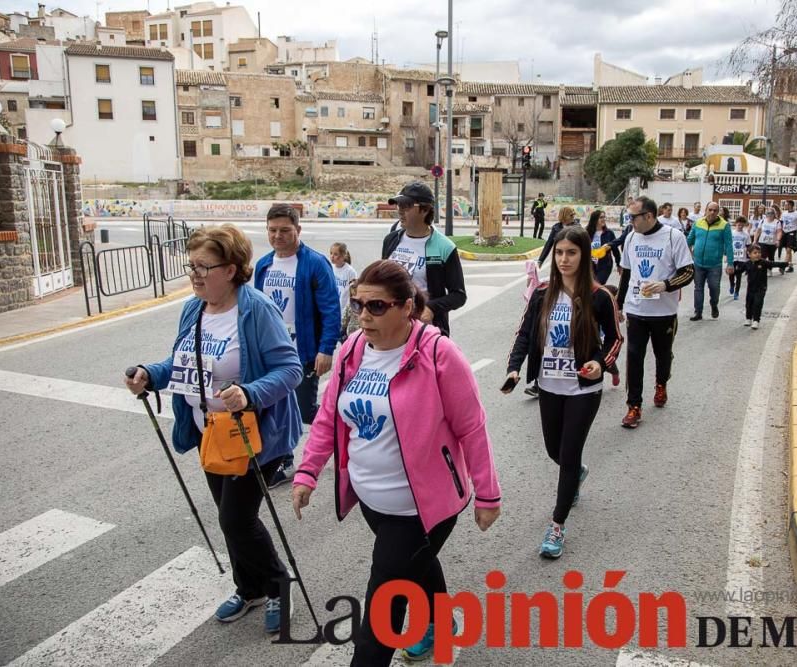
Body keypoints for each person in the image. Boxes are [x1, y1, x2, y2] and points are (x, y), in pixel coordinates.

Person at [292, 260, 501, 665]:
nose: (363, 316)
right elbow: (329, 416)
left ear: (406, 307)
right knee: (417, 563)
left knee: (381, 612)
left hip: (421, 507)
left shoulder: (438, 353)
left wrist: (487, 494)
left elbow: (472, 427)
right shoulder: (352, 350)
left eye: (376, 307)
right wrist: (308, 471)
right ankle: (440, 621)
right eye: (358, 305)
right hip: (373, 500)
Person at [124, 224, 303, 633]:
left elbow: (291, 369)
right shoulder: (194, 308)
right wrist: (149, 374)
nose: (196, 275)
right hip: (210, 432)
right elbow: (181, 365)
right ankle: (250, 587)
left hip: (251, 434)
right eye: (192, 266)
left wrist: (251, 392)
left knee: (236, 520)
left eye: (205, 266)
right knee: (229, 518)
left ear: (233, 268)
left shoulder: (255, 309)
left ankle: (280, 587)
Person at [504, 226, 621, 558]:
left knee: (568, 456)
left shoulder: (599, 295)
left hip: (583, 390)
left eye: (571, 253)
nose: (564, 259)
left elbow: (614, 339)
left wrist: (600, 363)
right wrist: (514, 367)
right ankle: (577, 473)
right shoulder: (542, 293)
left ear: (583, 256)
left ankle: (557, 525)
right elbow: (524, 334)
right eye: (558, 253)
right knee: (554, 450)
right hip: (549, 386)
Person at [255, 204, 342, 487]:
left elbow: (331, 310)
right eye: (272, 230)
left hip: (303, 351)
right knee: (274, 408)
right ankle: (284, 460)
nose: (277, 236)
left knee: (304, 409)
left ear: (298, 230)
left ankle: (341, 429)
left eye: (284, 230)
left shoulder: (314, 263)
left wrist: (326, 349)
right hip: (270, 352)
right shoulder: (264, 265)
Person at [617, 196, 694, 428]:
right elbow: (626, 274)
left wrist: (665, 285)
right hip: (636, 310)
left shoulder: (673, 236)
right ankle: (634, 406)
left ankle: (661, 384)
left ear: (648, 216)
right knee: (634, 358)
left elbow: (688, 272)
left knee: (662, 355)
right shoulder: (631, 237)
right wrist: (619, 305)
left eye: (633, 217)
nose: (630, 221)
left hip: (663, 313)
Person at [382, 181, 467, 336]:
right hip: (391, 325)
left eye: (406, 205)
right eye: (398, 205)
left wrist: (432, 308)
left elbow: (459, 295)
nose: (400, 211)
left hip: (425, 330)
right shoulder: (391, 240)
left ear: (425, 209)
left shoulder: (444, 247)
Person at [686, 201, 734, 321]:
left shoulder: (724, 225)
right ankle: (698, 312)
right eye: (710, 209)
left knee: (714, 288)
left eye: (715, 210)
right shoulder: (698, 223)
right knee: (698, 288)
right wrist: (689, 255)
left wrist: (730, 263)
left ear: (718, 212)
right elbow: (688, 241)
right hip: (698, 263)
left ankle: (714, 305)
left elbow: (728, 245)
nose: (712, 212)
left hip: (715, 264)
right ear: (706, 210)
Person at [742, 244, 789, 329]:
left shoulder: (763, 262)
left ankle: (756, 320)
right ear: (749, 254)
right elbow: (739, 270)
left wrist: (785, 264)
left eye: (759, 253)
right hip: (750, 288)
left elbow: (774, 264)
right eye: (755, 253)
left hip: (761, 288)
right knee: (749, 303)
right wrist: (733, 271)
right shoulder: (747, 264)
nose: (757, 255)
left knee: (758, 303)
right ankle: (748, 318)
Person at [585, 209, 618, 285]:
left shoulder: (609, 233)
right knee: (590, 286)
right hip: (590, 265)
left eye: (604, 217)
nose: (604, 219)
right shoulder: (587, 232)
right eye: (601, 217)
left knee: (598, 285)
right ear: (595, 219)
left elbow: (615, 249)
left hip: (605, 265)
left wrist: (618, 264)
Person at [330, 242, 358, 331]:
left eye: (335, 254)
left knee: (342, 336)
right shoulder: (330, 268)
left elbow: (353, 292)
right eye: (331, 253)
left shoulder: (350, 271)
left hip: (343, 310)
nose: (332, 256)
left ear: (343, 256)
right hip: (332, 308)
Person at [729, 216, 752, 300]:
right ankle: (732, 284)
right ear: (736, 224)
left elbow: (749, 246)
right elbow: (728, 244)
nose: (740, 227)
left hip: (742, 257)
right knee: (731, 272)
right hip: (733, 256)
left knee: (738, 275)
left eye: (742, 225)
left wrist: (749, 257)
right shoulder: (732, 233)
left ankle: (736, 292)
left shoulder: (746, 235)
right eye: (738, 225)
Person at [780, 200, 797, 273]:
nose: (785, 206)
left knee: (789, 250)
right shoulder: (784, 214)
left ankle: (783, 266)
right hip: (785, 232)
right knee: (787, 250)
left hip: (792, 232)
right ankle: (790, 266)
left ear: (790, 205)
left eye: (786, 205)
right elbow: (781, 223)